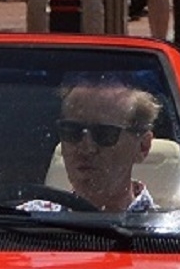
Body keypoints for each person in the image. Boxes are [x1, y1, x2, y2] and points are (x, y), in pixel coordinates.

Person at [43, 79, 162, 213]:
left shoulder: (170, 230)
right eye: (72, 131)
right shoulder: (26, 220)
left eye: (105, 134)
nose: (86, 148)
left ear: (142, 147)